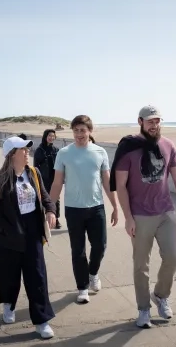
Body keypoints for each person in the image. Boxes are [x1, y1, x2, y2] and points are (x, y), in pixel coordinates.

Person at [110, 105, 176, 328]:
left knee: (172, 257)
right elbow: (120, 185)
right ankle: (143, 309)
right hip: (139, 215)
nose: (154, 124)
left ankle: (160, 295)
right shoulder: (128, 148)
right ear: (140, 122)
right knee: (141, 265)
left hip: (165, 211)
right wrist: (128, 217)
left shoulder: (168, 145)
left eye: (157, 120)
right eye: (150, 121)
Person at [0, 136, 57, 339]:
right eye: (22, 150)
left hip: (32, 232)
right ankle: (8, 304)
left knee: (37, 277)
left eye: (27, 150)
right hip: (6, 237)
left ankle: (42, 320)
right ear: (11, 155)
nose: (27, 153)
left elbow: (45, 196)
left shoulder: (33, 173)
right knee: (8, 275)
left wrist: (50, 210)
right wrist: (8, 228)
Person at [49, 115, 118, 304]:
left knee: (100, 246)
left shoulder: (100, 152)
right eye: (76, 130)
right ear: (73, 132)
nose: (79, 134)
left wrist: (115, 205)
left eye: (83, 130)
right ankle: (82, 287)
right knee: (78, 250)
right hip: (73, 209)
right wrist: (50, 209)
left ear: (90, 131)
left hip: (96, 207)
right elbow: (57, 183)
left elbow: (106, 180)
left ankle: (93, 273)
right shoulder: (64, 153)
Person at [33, 129, 61, 229]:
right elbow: (35, 166)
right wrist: (36, 178)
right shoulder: (40, 150)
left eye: (53, 136)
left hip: (55, 178)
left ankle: (56, 219)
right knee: (44, 198)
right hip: (44, 179)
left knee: (56, 199)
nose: (51, 138)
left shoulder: (56, 150)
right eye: (49, 136)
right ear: (45, 136)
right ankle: (43, 218)